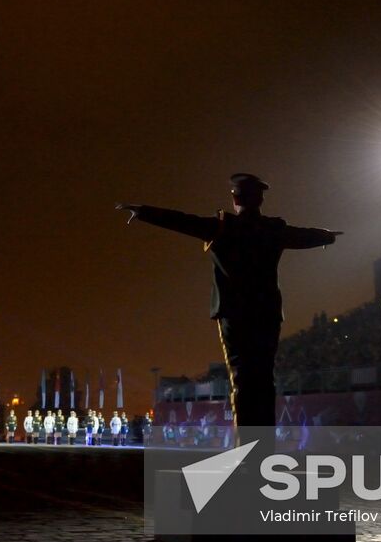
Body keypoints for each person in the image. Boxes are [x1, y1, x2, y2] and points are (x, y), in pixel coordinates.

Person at [118, 173, 338, 430]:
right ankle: (264, 447)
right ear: (260, 200)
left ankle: (247, 450)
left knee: (242, 380)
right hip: (267, 312)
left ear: (235, 198)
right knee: (264, 380)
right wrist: (326, 236)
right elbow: (304, 236)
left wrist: (144, 212)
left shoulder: (223, 227)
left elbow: (182, 221)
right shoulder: (274, 229)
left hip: (234, 313)